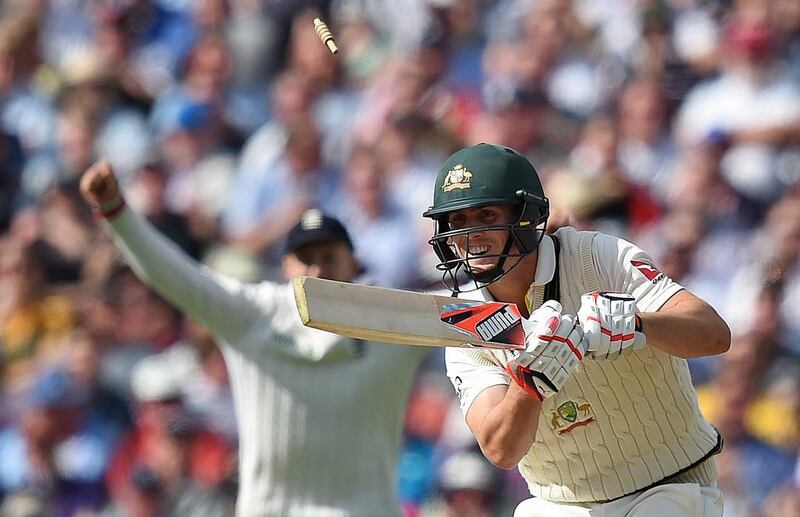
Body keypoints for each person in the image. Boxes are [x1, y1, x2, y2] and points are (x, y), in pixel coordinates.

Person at [79, 160, 429, 516]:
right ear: (285, 267)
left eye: (329, 258)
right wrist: (116, 213)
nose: (318, 271)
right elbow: (176, 276)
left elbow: (469, 312)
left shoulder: (392, 322)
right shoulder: (253, 315)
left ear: (354, 265)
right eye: (306, 259)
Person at [422, 143, 731, 516]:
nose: (470, 235)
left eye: (486, 215)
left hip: (670, 487)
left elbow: (714, 333)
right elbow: (500, 448)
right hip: (562, 504)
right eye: (458, 221)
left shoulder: (600, 257)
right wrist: (530, 383)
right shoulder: (466, 323)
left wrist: (635, 324)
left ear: (525, 216)